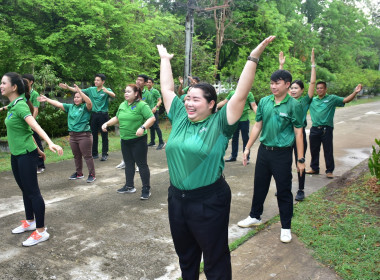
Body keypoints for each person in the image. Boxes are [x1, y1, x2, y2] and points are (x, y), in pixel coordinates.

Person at [157, 36, 275, 280]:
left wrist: (253, 57)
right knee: (186, 257)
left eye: (195, 99)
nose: (188, 102)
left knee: (215, 258)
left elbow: (241, 94)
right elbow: (167, 90)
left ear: (212, 104)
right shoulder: (179, 116)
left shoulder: (220, 124)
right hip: (177, 199)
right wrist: (165, 60)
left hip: (209, 200)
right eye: (187, 98)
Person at [237, 69, 305, 244]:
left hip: (282, 154)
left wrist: (301, 159)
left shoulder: (294, 105)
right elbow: (257, 126)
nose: (273, 86)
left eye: (277, 83)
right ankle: (255, 216)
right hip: (264, 151)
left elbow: (298, 133)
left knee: (283, 190)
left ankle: (285, 227)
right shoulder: (265, 102)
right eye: (272, 83)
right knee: (259, 185)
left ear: (287, 85)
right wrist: (247, 147)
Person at [1, 72, 63, 246]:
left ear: (14, 87)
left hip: (25, 156)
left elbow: (34, 126)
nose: (1, 85)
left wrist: (49, 143)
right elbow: (25, 132)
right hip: (17, 154)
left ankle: (41, 231)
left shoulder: (20, 106)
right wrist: (38, 149)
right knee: (25, 190)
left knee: (33, 192)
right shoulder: (13, 105)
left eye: (3, 83)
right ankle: (30, 222)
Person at [102, 84, 155, 200]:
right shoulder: (123, 105)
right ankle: (129, 186)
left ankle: (146, 189)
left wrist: (143, 127)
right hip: (125, 140)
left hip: (138, 141)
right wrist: (107, 123)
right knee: (128, 163)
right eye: (125, 91)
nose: (126, 93)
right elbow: (117, 118)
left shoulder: (142, 105)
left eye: (129, 92)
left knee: (141, 165)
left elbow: (151, 118)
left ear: (136, 93)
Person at [278, 49, 316, 201]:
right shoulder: (287, 98)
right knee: (284, 164)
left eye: (296, 88)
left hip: (299, 136)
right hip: (286, 135)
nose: (293, 90)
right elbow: (280, 83)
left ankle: (300, 189)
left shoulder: (305, 101)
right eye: (291, 88)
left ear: (302, 90)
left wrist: (313, 64)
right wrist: (281, 66)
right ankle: (284, 187)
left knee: (300, 161)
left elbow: (312, 82)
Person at [38, 85, 96, 183]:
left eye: (78, 97)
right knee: (76, 156)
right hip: (73, 136)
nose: (76, 99)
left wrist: (80, 91)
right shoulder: (70, 107)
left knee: (87, 156)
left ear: (82, 98)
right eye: (75, 97)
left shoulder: (86, 107)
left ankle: (92, 174)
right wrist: (47, 99)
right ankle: (79, 173)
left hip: (84, 135)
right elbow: (58, 104)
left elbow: (89, 102)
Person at [306, 81, 362, 178]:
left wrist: (355, 92)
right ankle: (314, 168)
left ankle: (329, 171)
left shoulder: (332, 98)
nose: (319, 90)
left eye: (321, 88)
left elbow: (346, 100)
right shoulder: (312, 100)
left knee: (328, 150)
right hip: (314, 129)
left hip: (326, 129)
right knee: (314, 150)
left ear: (325, 89)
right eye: (317, 88)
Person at [59, 74, 115, 161]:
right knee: (93, 135)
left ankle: (104, 154)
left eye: (98, 80)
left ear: (103, 82)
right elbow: (78, 90)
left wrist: (107, 92)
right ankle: (94, 153)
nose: (96, 82)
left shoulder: (106, 90)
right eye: (95, 80)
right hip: (93, 114)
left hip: (103, 115)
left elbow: (113, 95)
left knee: (104, 135)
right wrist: (68, 87)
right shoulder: (91, 89)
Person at [217, 89, 257, 163]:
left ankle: (247, 157)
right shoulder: (233, 93)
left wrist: (259, 116)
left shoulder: (249, 94)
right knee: (234, 138)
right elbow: (224, 102)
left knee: (245, 138)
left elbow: (254, 106)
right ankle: (233, 156)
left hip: (244, 120)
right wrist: (215, 107)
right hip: (234, 119)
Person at [22, 74, 46, 174]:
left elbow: (35, 110)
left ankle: (41, 165)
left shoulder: (34, 94)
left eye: (25, 80)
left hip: (32, 123)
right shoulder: (22, 93)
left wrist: (31, 123)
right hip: (25, 123)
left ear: (31, 82)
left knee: (37, 143)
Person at [146, 77, 165, 150]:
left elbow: (160, 100)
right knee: (151, 127)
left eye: (149, 82)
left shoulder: (155, 91)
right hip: (148, 112)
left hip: (155, 111)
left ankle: (161, 142)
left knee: (156, 126)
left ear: (152, 83)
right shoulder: (146, 92)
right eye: (147, 82)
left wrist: (155, 107)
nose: (148, 83)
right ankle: (152, 142)